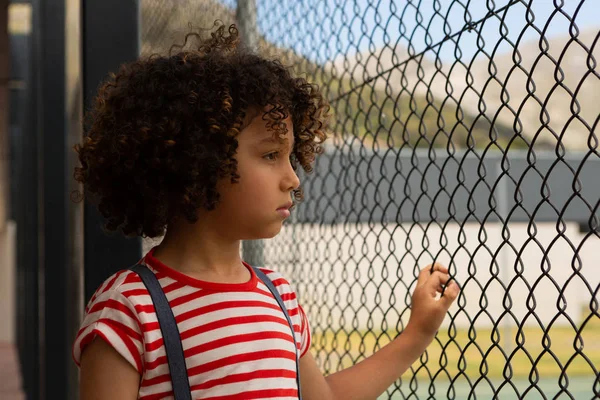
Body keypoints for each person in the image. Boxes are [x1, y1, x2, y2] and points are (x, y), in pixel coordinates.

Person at [72, 22, 460, 400]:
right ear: (195, 162)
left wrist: (417, 333)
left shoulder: (279, 296)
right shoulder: (128, 308)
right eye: (271, 155)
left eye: (291, 157)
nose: (292, 178)